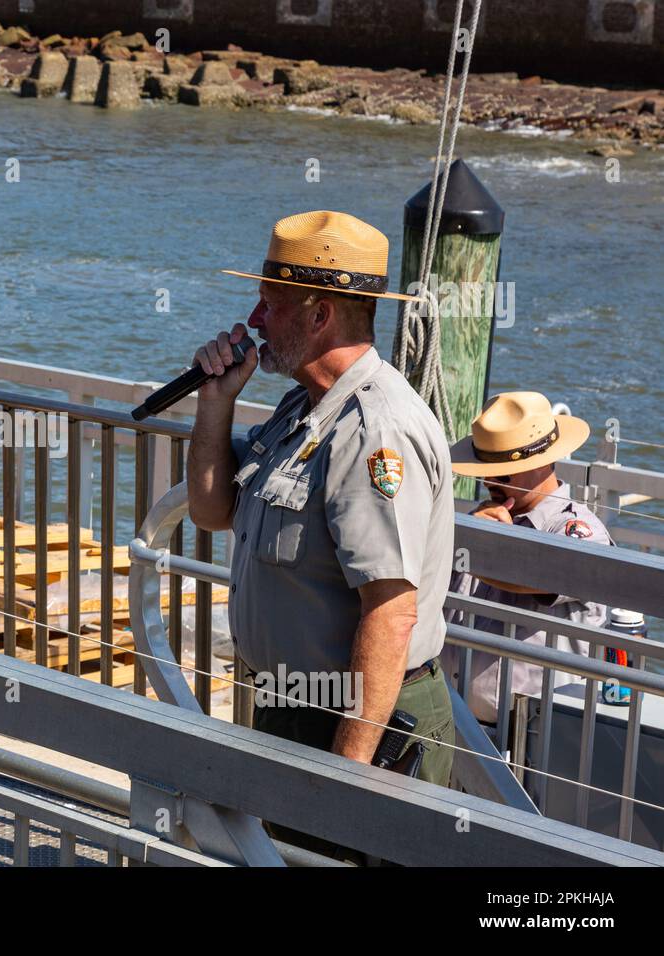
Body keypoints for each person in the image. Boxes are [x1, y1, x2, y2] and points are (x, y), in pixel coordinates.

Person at [186, 210, 457, 850]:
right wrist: (215, 402)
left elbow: (391, 614)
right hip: (293, 710)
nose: (254, 320)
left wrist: (345, 775)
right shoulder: (303, 408)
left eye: (270, 303)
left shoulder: (374, 430)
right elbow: (210, 511)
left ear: (318, 316)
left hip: (360, 726)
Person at [440, 391, 612, 726]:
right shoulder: (479, 520)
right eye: (484, 472)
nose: (490, 483)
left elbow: (539, 581)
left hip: (533, 736)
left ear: (540, 463)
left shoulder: (577, 529)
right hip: (453, 722)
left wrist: (469, 544)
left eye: (504, 474)